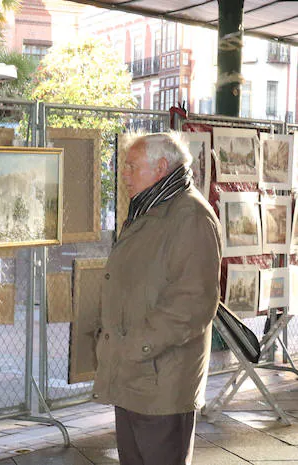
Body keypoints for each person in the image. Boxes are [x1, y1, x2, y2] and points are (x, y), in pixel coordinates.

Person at [92, 132, 222, 465]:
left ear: (161, 167)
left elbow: (192, 304)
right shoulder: (150, 211)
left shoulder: (190, 216)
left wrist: (136, 346)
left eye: (132, 167)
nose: (125, 176)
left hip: (162, 379)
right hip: (135, 374)